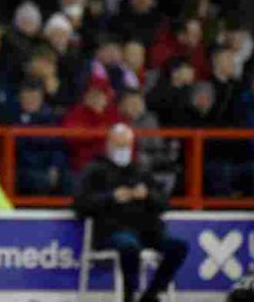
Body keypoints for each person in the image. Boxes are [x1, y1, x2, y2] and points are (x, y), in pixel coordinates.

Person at [74, 123, 188, 302]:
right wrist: (112, 197)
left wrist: (147, 195)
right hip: (112, 229)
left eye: (126, 146)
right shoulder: (94, 170)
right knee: (129, 247)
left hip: (147, 229)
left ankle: (151, 294)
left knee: (179, 246)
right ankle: (129, 296)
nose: (123, 150)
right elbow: (80, 204)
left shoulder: (141, 171)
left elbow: (164, 203)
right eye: (119, 146)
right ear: (109, 145)